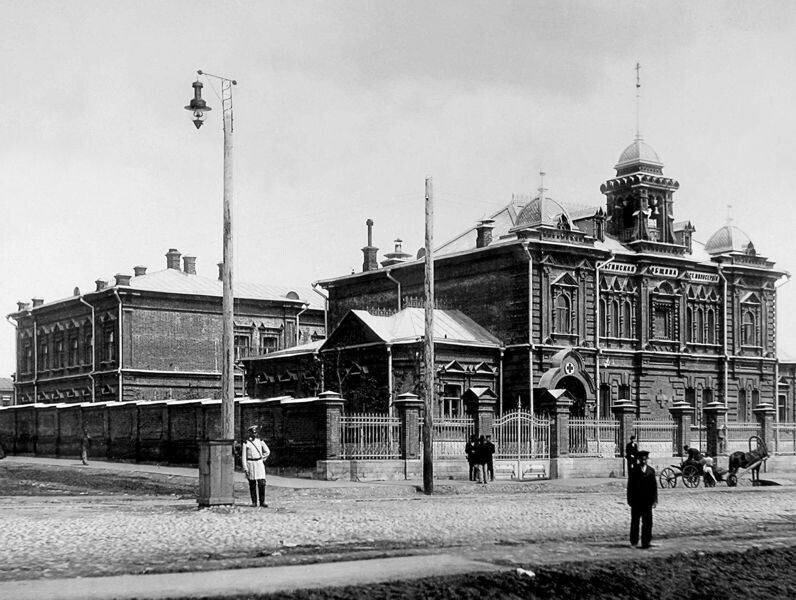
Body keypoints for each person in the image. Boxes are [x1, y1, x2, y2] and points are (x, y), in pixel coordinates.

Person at [627, 450, 658, 549]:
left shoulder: (651, 471)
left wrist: (655, 500)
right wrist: (630, 500)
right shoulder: (634, 471)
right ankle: (634, 542)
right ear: (638, 460)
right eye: (641, 459)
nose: (643, 461)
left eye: (645, 459)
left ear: (647, 460)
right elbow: (630, 486)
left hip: (647, 502)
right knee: (635, 522)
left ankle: (646, 542)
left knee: (648, 522)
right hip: (636, 501)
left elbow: (654, 487)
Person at [241, 425, 270, 507]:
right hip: (251, 464)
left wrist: (262, 458)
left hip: (259, 464)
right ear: (249, 433)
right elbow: (244, 457)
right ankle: (254, 502)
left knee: (262, 483)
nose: (254, 435)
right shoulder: (246, 443)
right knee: (252, 483)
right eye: (252, 433)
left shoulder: (260, 441)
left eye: (255, 433)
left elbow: (267, 451)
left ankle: (262, 501)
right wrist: (245, 468)